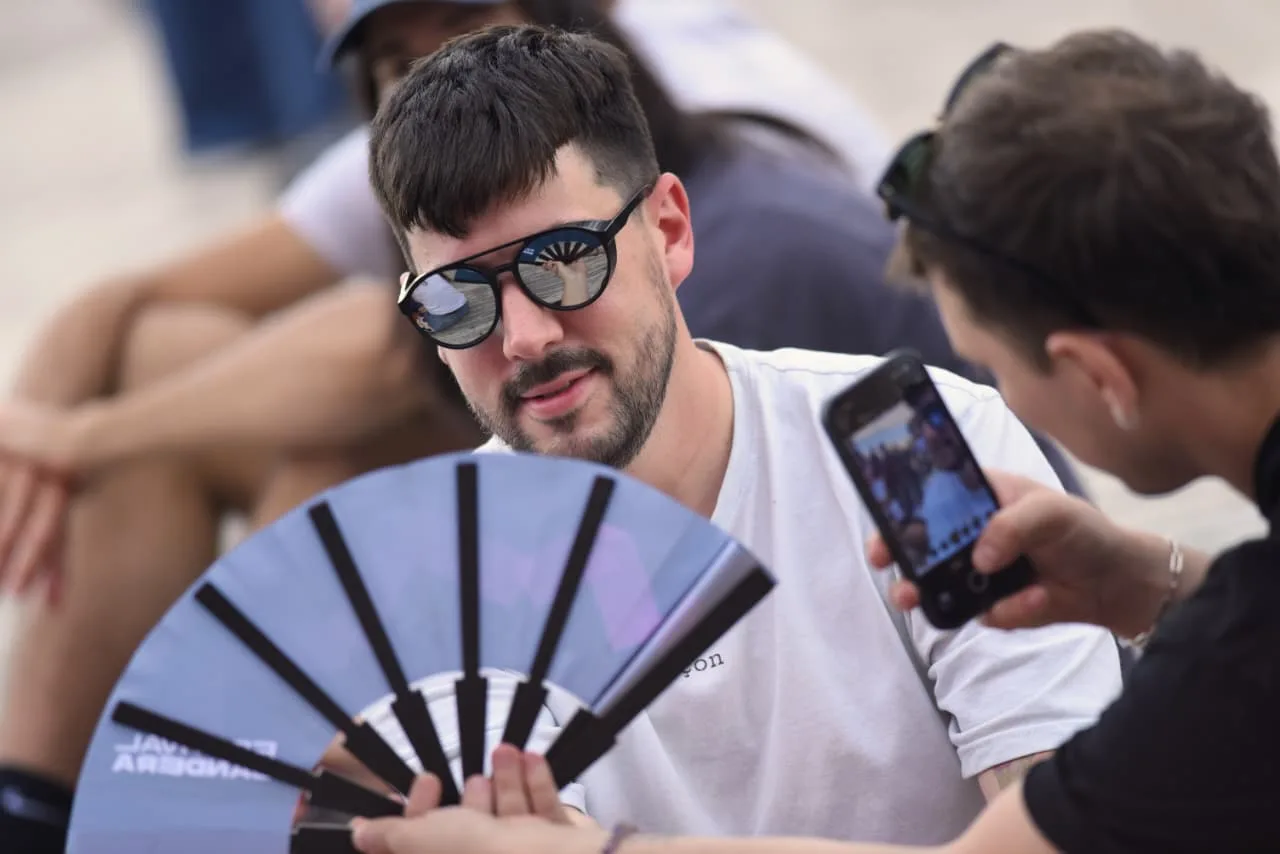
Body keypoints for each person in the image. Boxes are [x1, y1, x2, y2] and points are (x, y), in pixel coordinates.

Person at [349, 28, 1280, 854]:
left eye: (562, 262)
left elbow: (1062, 829)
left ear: (669, 229)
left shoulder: (911, 450)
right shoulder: (439, 577)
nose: (523, 337)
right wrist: (1162, 583)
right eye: (456, 299)